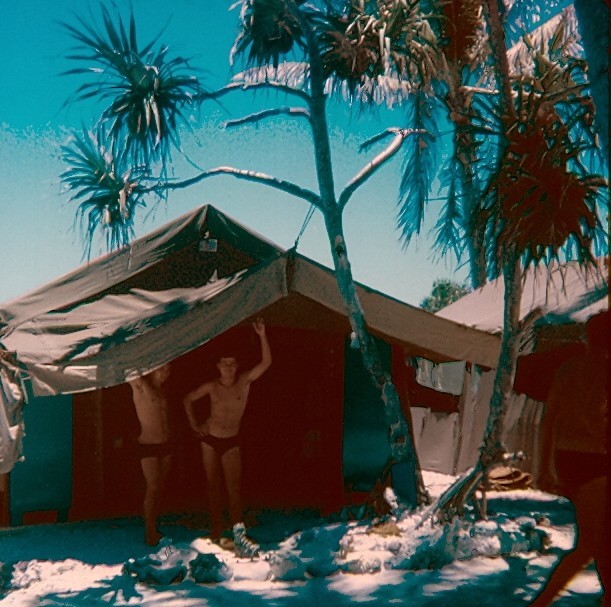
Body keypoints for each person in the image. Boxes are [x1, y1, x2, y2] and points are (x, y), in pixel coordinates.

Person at [530, 312, 608, 606]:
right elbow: (594, 419)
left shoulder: (567, 369)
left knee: (601, 541)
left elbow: (548, 420)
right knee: (589, 545)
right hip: (594, 461)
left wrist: (543, 467)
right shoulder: (602, 370)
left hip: (568, 460)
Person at [183, 318, 271, 549]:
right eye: (225, 364)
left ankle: (237, 531)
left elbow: (266, 363)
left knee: (234, 488)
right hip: (210, 439)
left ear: (237, 366)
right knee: (213, 485)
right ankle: (216, 529)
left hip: (231, 440)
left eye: (232, 364)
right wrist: (195, 426)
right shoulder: (212, 386)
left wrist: (262, 336)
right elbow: (187, 399)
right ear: (218, 366)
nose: (229, 368)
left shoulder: (244, 382)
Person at [129, 363, 172, 546]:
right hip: (148, 445)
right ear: (152, 368)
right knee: (153, 487)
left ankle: (155, 524)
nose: (165, 372)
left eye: (168, 369)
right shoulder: (141, 385)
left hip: (166, 444)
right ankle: (150, 531)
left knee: (160, 487)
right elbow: (128, 370)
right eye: (161, 368)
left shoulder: (163, 391)